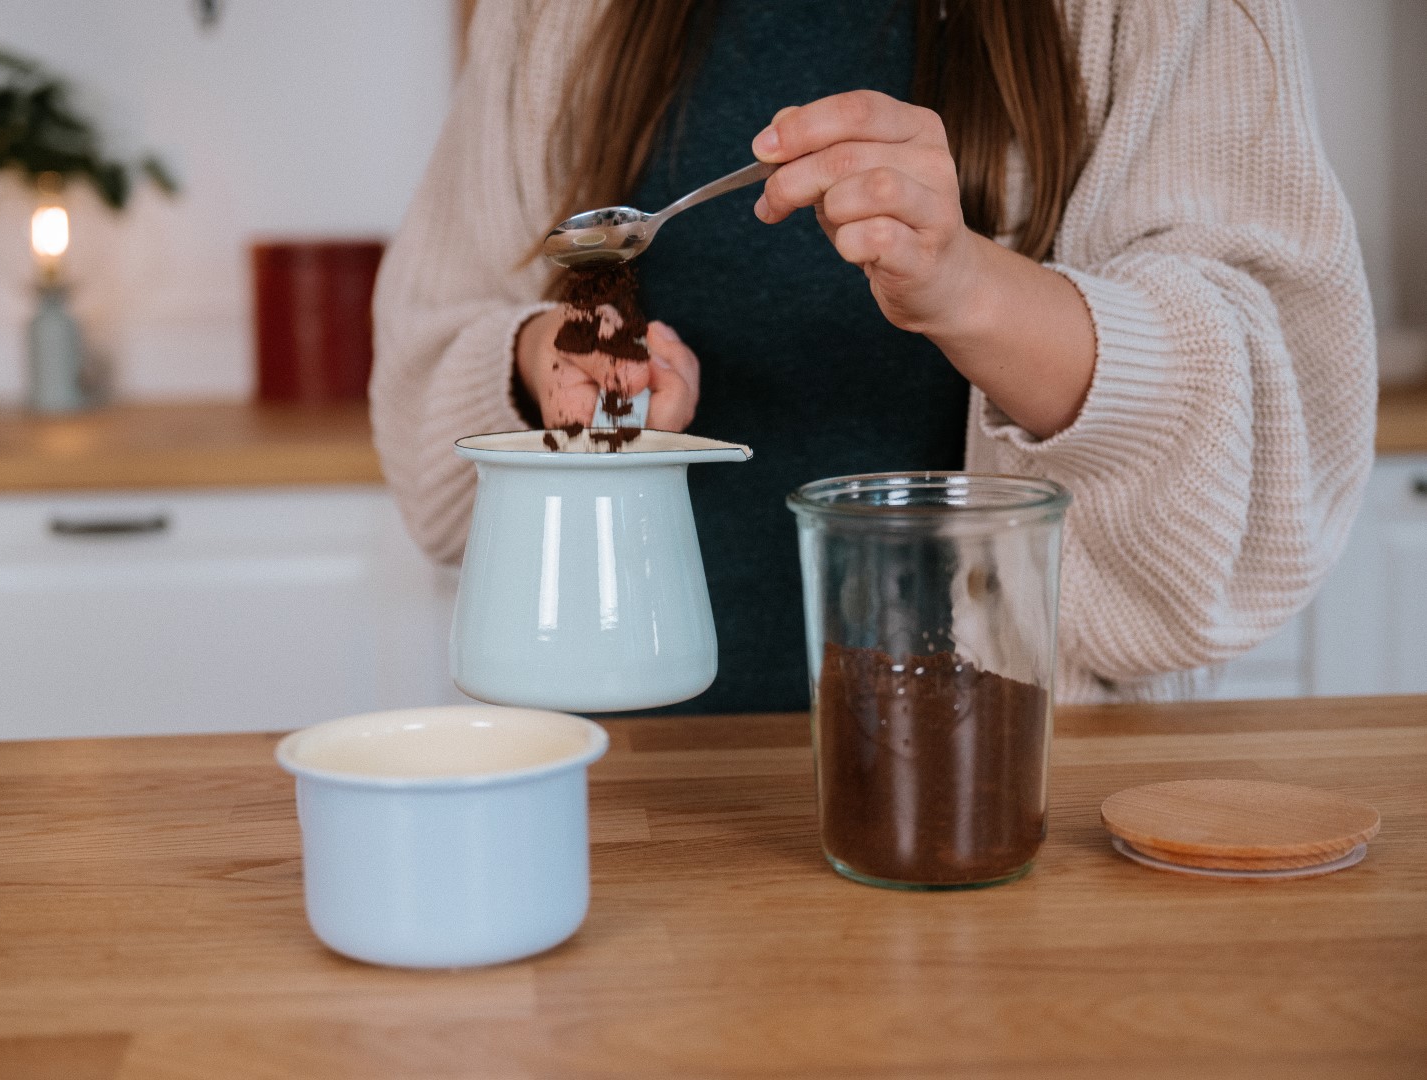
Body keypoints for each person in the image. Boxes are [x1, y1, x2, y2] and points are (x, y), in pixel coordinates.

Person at [370, 0, 1375, 709]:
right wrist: (544, 362)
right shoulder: (553, 15)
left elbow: (1274, 460)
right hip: (633, 794)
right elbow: (428, 389)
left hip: (1004, 787)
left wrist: (969, 288)